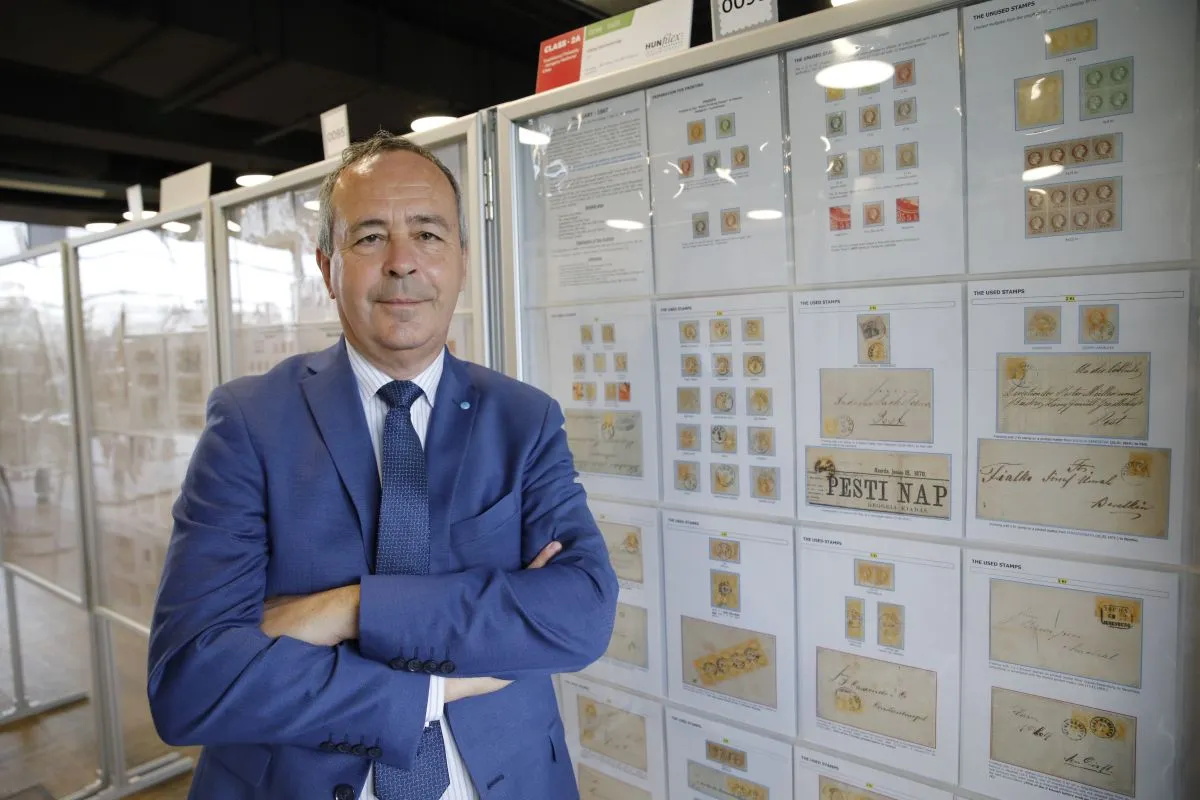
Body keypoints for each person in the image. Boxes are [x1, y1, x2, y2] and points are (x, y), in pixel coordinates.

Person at [147, 130, 619, 800]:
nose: (402, 262)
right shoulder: (250, 423)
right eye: (370, 237)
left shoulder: (524, 420)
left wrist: (350, 608)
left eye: (427, 234)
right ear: (327, 267)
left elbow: (581, 615)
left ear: (461, 259)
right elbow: (190, 683)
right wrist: (435, 687)